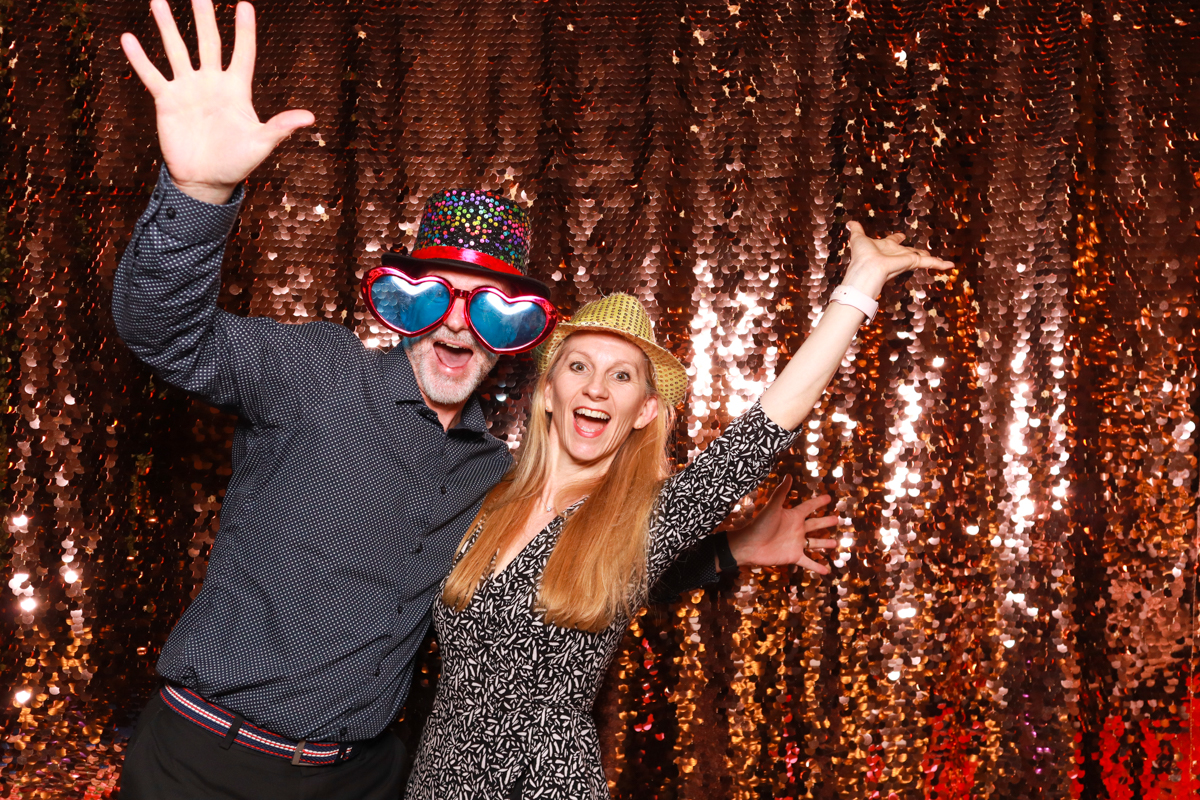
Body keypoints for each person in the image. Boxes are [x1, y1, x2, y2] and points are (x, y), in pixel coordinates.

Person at [110, 2, 838, 797]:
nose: (457, 326)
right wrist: (197, 193)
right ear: (397, 303)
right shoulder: (314, 375)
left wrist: (732, 552)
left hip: (364, 780)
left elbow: (563, 578)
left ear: (520, 335)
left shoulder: (498, 475)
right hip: (204, 761)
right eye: (431, 299)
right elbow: (166, 333)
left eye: (489, 308)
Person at [404, 252, 952, 795]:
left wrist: (857, 290)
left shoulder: (645, 518)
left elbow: (769, 423)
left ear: (643, 411)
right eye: (579, 367)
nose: (596, 388)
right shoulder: (486, 493)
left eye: (621, 376)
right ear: (548, 392)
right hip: (435, 782)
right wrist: (733, 549)